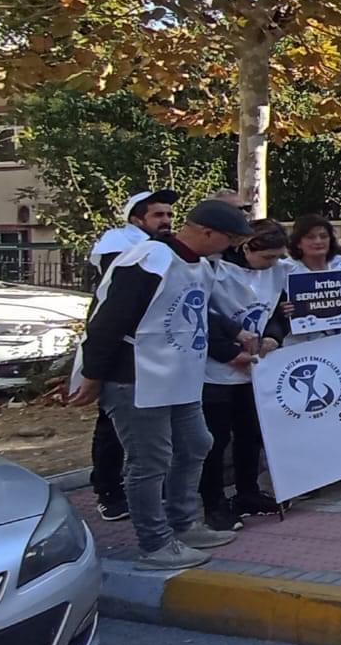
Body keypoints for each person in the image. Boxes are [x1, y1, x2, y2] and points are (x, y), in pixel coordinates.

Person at [69, 198, 255, 568]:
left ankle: (183, 523)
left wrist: (235, 331)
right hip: (136, 376)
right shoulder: (150, 259)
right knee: (149, 460)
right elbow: (109, 319)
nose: (231, 247)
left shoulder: (200, 265)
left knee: (196, 444)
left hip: (180, 375)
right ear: (206, 232)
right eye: (229, 238)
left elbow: (198, 310)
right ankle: (155, 542)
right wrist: (93, 375)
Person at [86, 190, 183, 521]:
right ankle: (108, 490)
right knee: (113, 426)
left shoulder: (164, 249)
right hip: (122, 351)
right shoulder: (118, 246)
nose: (167, 221)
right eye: (159, 215)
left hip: (154, 351)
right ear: (136, 219)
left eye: (169, 215)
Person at [200, 219, 290, 526]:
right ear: (247, 247)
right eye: (267, 257)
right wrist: (228, 351)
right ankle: (212, 502)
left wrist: (273, 335)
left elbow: (278, 311)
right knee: (216, 438)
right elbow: (200, 314)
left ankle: (248, 491)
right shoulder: (213, 269)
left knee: (250, 433)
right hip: (214, 370)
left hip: (254, 368)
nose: (273, 264)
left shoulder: (277, 271)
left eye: (277, 257)